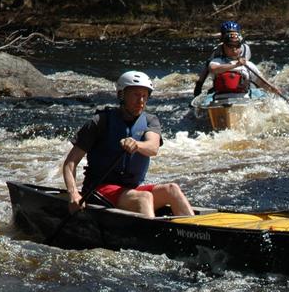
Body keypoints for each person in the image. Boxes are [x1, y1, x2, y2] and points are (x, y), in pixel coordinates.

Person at [62, 70, 193, 218]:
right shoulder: (100, 122)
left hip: (131, 190)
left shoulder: (150, 121)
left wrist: (137, 144)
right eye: (136, 95)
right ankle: (149, 232)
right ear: (121, 95)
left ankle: (195, 229)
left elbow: (153, 147)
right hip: (99, 190)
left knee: (172, 189)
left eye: (144, 96)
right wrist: (73, 194)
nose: (141, 101)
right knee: (144, 197)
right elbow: (70, 163)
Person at [193, 20, 285, 99]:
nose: (234, 49)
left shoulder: (247, 55)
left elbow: (260, 81)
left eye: (237, 46)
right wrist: (199, 86)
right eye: (230, 46)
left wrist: (273, 89)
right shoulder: (217, 56)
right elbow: (211, 68)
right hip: (221, 95)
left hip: (242, 94)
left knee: (254, 86)